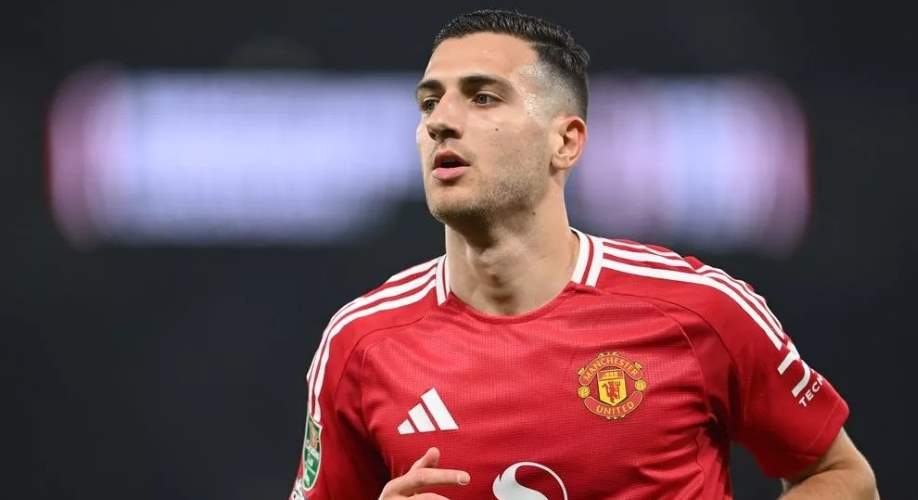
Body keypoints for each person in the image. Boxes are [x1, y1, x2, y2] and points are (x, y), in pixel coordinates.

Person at [289, 9, 877, 500]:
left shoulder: (699, 309)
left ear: (565, 141)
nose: (441, 122)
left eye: (483, 97)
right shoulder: (360, 343)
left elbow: (841, 477)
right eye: (428, 103)